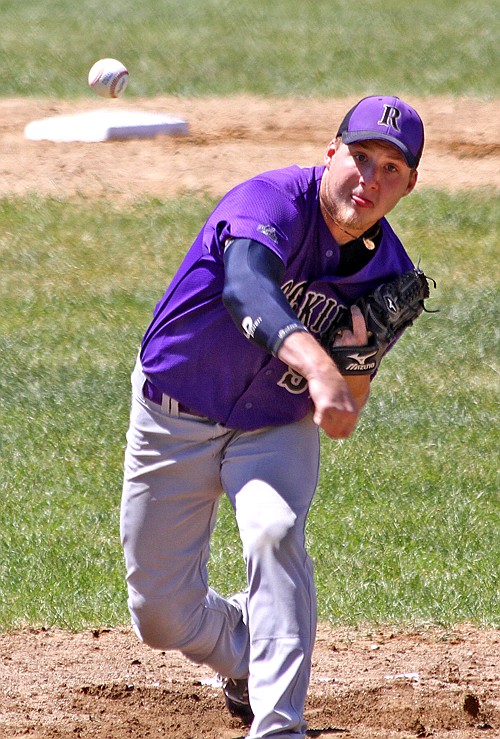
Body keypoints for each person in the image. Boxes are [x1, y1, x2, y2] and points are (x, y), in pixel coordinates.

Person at [120, 95, 424, 738]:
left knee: (274, 531)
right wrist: (319, 366)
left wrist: (352, 373)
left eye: (391, 170)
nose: (369, 180)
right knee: (161, 616)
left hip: (273, 426)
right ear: (330, 152)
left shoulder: (388, 271)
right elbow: (247, 291)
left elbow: (345, 407)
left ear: (409, 185)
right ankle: (248, 649)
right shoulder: (266, 203)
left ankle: (279, 725)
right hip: (174, 411)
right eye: (360, 157)